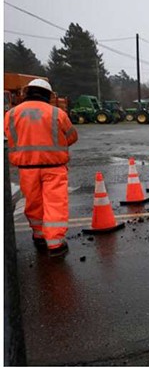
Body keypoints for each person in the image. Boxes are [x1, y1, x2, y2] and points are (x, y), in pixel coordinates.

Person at [4, 79, 78, 257]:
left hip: (26, 168)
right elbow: (72, 136)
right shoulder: (56, 113)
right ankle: (55, 244)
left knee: (33, 203)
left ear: (27, 92)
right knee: (55, 204)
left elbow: (7, 138)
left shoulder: (12, 114)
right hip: (54, 167)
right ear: (48, 95)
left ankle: (39, 236)